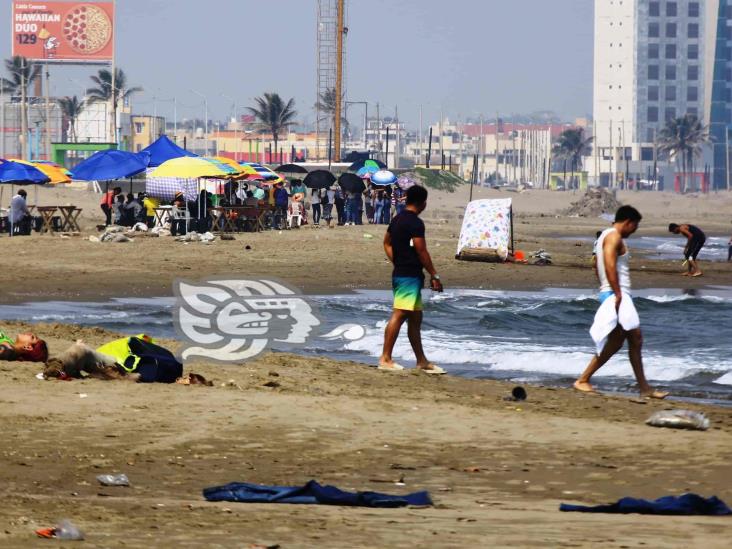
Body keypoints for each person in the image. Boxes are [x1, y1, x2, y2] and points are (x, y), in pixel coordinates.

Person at [574, 206, 668, 399]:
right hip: (617, 294)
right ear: (628, 222)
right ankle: (583, 380)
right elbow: (608, 263)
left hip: (614, 293)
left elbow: (596, 264)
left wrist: (606, 287)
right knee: (633, 338)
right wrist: (616, 293)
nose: (634, 230)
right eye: (635, 226)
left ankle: (644, 388)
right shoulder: (614, 236)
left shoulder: (606, 236)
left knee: (626, 340)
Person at [379, 185, 445, 374]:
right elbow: (421, 250)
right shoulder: (415, 223)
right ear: (422, 203)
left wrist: (397, 261)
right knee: (399, 314)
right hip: (408, 275)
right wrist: (434, 274)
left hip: (405, 272)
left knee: (415, 318)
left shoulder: (397, 219)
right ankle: (385, 358)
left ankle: (421, 361)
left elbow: (386, 242)